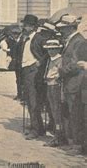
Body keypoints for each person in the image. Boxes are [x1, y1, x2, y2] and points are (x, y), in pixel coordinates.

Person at [56, 14, 87, 155]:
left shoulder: (79, 41)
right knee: (71, 113)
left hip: (76, 83)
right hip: (70, 82)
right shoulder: (73, 40)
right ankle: (74, 141)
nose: (61, 31)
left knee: (76, 114)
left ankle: (78, 145)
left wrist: (62, 70)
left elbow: (76, 63)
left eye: (63, 28)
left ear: (70, 28)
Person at [42, 39, 66, 147]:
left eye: (53, 49)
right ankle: (57, 135)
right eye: (49, 49)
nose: (51, 51)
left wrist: (57, 78)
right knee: (52, 110)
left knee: (57, 111)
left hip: (56, 86)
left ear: (58, 49)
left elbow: (61, 74)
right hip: (49, 85)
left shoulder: (60, 59)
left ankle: (58, 137)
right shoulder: (49, 59)